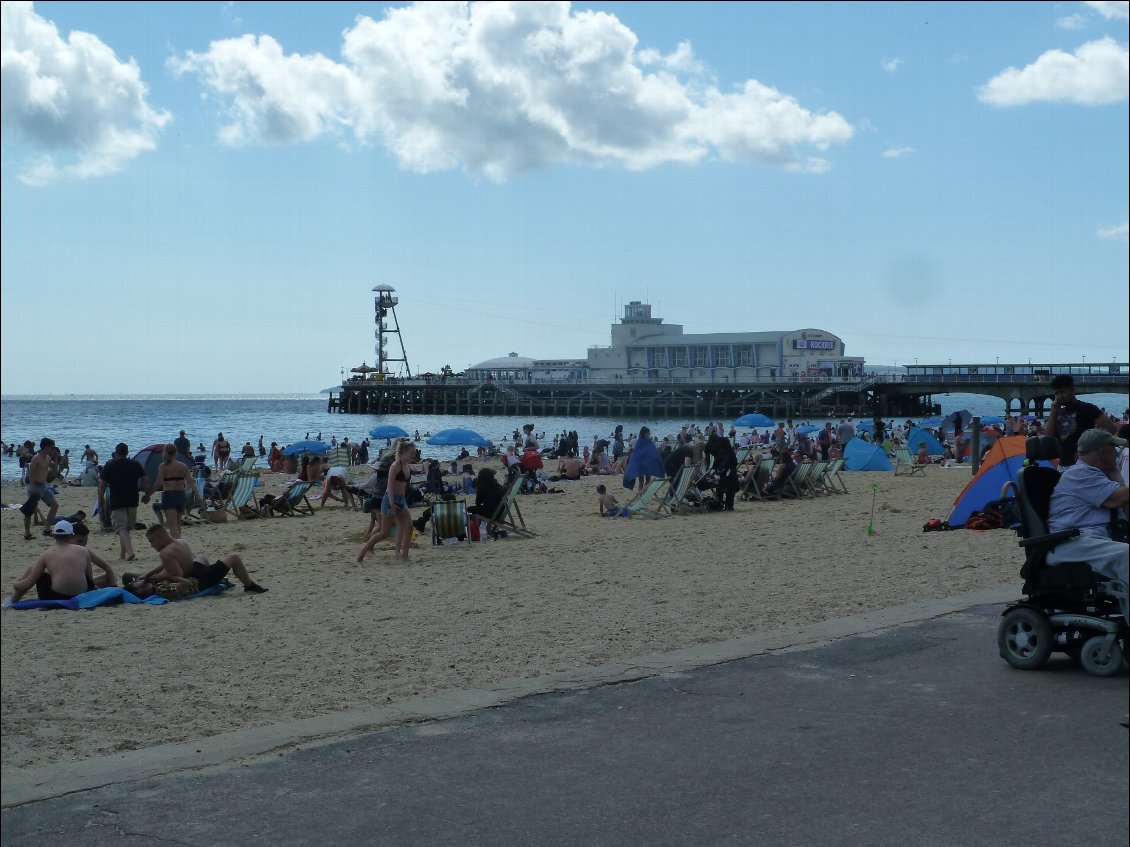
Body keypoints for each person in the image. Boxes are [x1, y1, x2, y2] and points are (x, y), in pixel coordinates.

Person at [1045, 429, 1129, 622]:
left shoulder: (1096, 475)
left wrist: (1115, 472)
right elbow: (1118, 499)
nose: (1117, 453)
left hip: (1087, 539)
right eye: (1114, 449)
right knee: (1126, 555)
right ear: (1102, 452)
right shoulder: (1080, 474)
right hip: (1071, 541)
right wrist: (1115, 472)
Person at [125, 524, 268, 599]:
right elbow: (169, 565)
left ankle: (249, 585)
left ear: (160, 538)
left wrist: (159, 576)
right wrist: (149, 573)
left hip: (199, 579)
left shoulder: (165, 552)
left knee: (234, 558)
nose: (151, 545)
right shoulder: (180, 541)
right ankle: (219, 577)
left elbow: (177, 573)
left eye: (152, 542)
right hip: (195, 571)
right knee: (201, 557)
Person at [356, 441, 416, 562]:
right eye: (412, 453)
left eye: (414, 453)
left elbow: (404, 486)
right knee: (385, 533)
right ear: (404, 452)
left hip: (401, 500)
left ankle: (405, 556)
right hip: (389, 500)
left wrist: (403, 502)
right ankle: (363, 550)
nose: (414, 455)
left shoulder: (407, 466)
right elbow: (389, 486)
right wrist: (392, 503)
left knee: (409, 528)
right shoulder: (395, 466)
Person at [9, 521, 95, 601]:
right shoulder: (83, 550)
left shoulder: (46, 554)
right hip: (83, 593)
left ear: (54, 536)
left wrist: (16, 583)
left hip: (56, 596)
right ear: (71, 535)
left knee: (35, 568)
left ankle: (13, 601)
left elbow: (27, 585)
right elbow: (90, 579)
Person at [1045, 374, 1118, 467]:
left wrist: (1090, 450)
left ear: (1072, 390)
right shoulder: (1058, 413)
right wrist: (1053, 413)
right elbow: (1048, 438)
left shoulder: (1087, 408)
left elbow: (1110, 428)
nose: (1059, 396)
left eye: (1063, 392)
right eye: (1057, 393)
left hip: (1085, 464)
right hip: (1063, 464)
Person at [98, 442, 152, 561]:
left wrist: (100, 499)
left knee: (121, 528)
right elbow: (146, 479)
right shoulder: (135, 464)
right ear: (127, 452)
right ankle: (123, 555)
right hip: (133, 499)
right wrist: (147, 494)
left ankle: (130, 552)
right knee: (126, 528)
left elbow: (102, 485)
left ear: (116, 452)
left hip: (117, 500)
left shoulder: (110, 465)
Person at [154, 443, 201, 539]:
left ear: (165, 453)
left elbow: (159, 483)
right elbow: (191, 482)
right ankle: (180, 545)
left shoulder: (163, 466)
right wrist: (198, 495)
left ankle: (179, 548)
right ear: (176, 453)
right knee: (177, 525)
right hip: (181, 496)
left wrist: (148, 494)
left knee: (173, 527)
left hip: (169, 496)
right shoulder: (183, 466)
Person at [20, 438, 61, 540]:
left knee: (54, 505)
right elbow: (31, 473)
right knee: (29, 511)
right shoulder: (36, 458)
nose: (53, 449)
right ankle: (27, 534)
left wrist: (56, 459)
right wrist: (33, 487)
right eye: (52, 447)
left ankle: (47, 530)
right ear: (46, 447)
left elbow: (55, 469)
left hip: (44, 486)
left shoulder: (47, 457)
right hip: (35, 486)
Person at [623, 426, 665, 493]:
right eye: (648, 433)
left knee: (642, 481)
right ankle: (642, 493)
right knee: (647, 480)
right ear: (645, 433)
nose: (649, 434)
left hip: (641, 464)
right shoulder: (647, 441)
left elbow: (636, 454)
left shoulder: (639, 441)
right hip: (645, 464)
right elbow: (653, 452)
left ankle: (641, 493)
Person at [704, 434, 739, 511]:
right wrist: (708, 468)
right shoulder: (708, 445)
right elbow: (707, 457)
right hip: (718, 462)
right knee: (719, 484)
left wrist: (720, 469)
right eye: (713, 444)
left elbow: (728, 456)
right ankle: (719, 503)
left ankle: (729, 505)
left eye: (716, 444)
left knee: (730, 484)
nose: (715, 446)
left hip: (731, 462)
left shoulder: (724, 441)